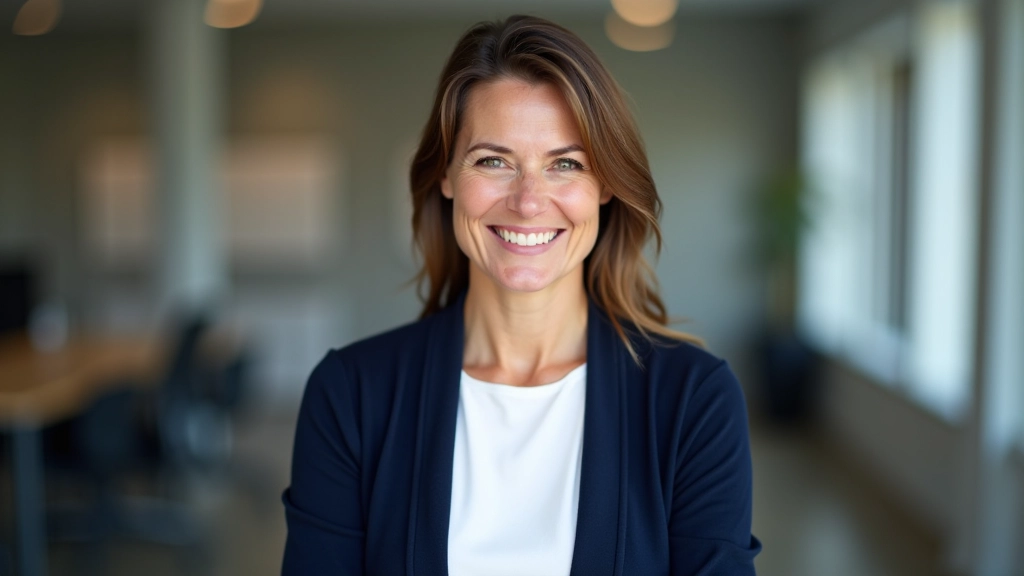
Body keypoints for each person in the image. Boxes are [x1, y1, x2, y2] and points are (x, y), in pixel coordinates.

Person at [282, 14, 761, 576]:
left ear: (604, 185)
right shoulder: (351, 396)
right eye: (493, 160)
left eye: (565, 164)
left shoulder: (692, 400)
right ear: (446, 176)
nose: (529, 201)